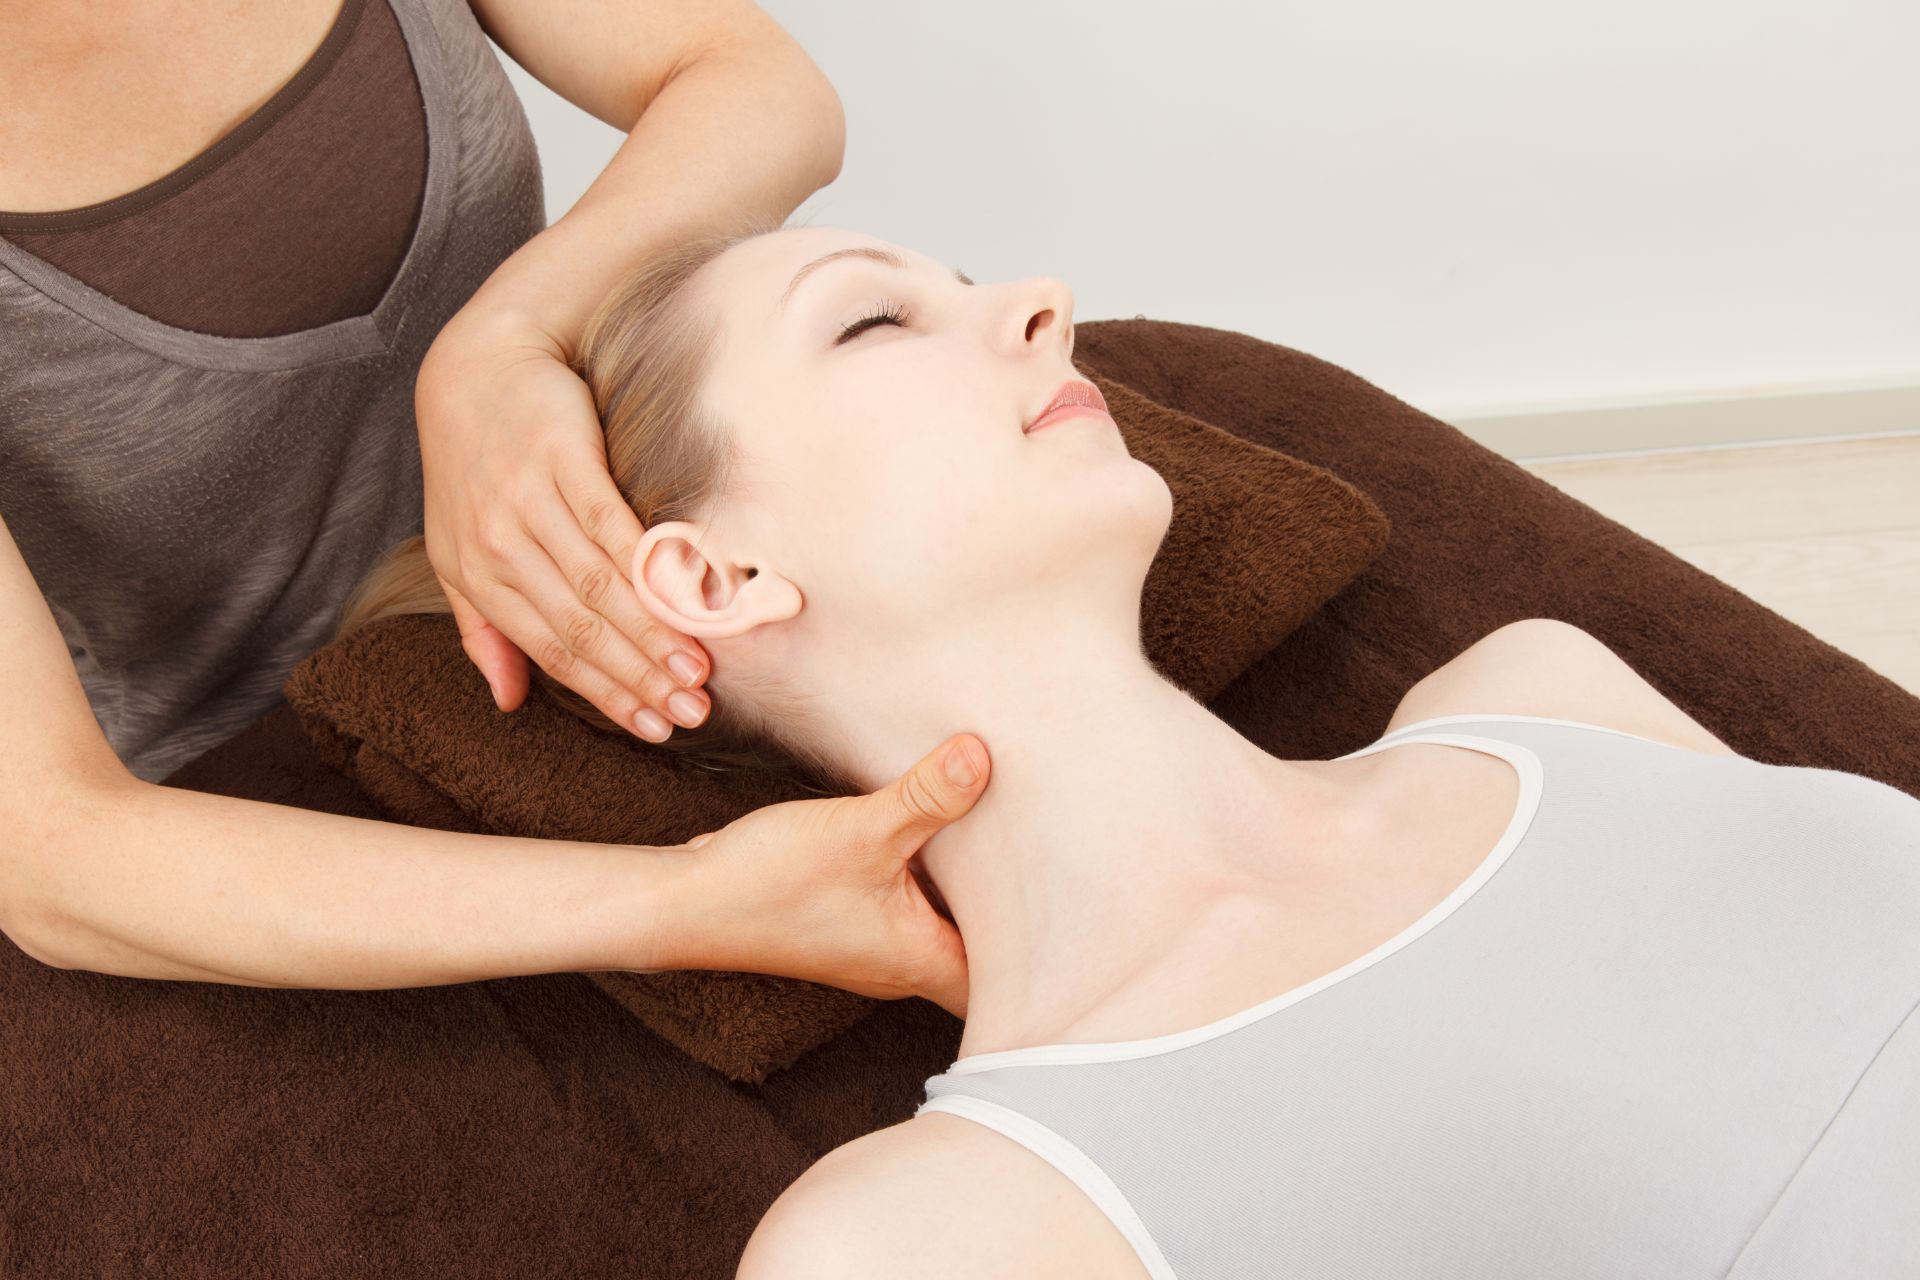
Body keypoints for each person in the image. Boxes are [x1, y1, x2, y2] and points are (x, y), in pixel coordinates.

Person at [340, 220, 1914, 1276]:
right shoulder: (932, 1236)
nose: (1039, 307)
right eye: (879, 318)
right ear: (711, 577)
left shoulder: (1539, 695)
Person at [0, 0, 988, 1018]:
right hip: (292, 851)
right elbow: (54, 851)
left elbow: (756, 80)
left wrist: (499, 346)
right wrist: (700, 899)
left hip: (678, 631)